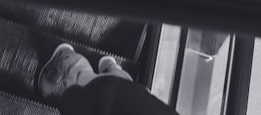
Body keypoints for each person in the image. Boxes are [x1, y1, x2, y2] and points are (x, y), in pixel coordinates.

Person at [37, 44, 180, 115]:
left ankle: (110, 66)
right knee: (79, 74)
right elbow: (73, 97)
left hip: (131, 95)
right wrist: (71, 97)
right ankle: (63, 56)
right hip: (106, 100)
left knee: (121, 80)